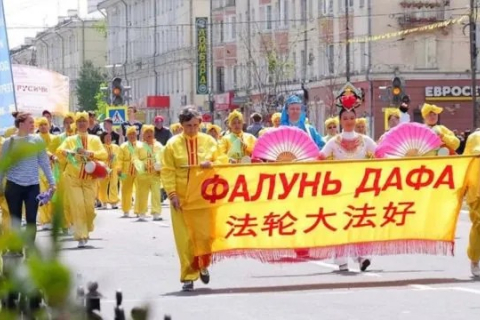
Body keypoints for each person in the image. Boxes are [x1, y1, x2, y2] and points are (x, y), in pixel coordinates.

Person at [161, 108, 227, 292]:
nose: (192, 129)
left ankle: (203, 264)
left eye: (195, 125)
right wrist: (172, 194)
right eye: (188, 126)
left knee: (205, 236)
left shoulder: (209, 141)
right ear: (181, 125)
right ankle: (188, 276)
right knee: (185, 239)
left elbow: (223, 162)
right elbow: (167, 171)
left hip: (204, 198)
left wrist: (212, 165)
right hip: (182, 199)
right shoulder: (172, 145)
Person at [318, 97, 376, 272]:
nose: (349, 121)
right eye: (345, 118)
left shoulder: (365, 140)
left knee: (360, 220)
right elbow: (319, 159)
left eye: (352, 118)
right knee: (342, 222)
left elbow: (382, 155)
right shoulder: (333, 142)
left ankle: (362, 256)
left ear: (356, 119)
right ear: (340, 121)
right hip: (340, 189)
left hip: (361, 188)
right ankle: (342, 257)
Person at [0, 112, 56, 248]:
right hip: (13, 186)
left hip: (32, 186)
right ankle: (17, 247)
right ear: (21, 124)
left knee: (31, 219)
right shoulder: (9, 142)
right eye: (30, 122)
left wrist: (52, 182)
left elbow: (44, 163)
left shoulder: (37, 140)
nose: (33, 125)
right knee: (16, 219)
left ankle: (30, 248)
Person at [57, 112, 107, 248]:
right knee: (78, 206)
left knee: (90, 209)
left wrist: (89, 153)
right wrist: (69, 151)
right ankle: (81, 236)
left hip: (90, 179)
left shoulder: (95, 139)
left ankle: (87, 227)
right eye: (79, 121)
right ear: (76, 124)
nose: (81, 123)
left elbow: (103, 154)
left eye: (84, 121)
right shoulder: (70, 140)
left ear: (88, 123)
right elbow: (60, 151)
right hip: (73, 178)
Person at [49, 113, 76, 233]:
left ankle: (75, 222)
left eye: (71, 122)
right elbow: (49, 151)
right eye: (67, 122)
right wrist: (53, 157)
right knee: (64, 199)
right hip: (60, 171)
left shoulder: (79, 139)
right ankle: (66, 224)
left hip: (76, 171)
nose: (69, 125)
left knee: (74, 199)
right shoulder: (58, 138)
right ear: (63, 124)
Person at [134, 125, 164, 221]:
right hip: (143, 175)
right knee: (142, 194)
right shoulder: (138, 146)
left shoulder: (159, 145)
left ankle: (156, 213)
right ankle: (142, 212)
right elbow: (134, 159)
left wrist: (160, 166)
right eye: (146, 132)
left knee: (156, 194)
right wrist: (143, 166)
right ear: (143, 134)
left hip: (155, 174)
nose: (149, 134)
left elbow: (164, 158)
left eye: (151, 132)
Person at [463, 130, 480, 277]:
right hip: (477, 191)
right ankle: (475, 260)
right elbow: (465, 163)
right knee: (479, 225)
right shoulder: (474, 137)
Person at [37, 117, 56, 230]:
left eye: (45, 124)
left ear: (49, 125)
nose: (43, 126)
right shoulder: (35, 139)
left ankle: (54, 217)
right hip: (40, 170)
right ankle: (45, 220)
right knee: (43, 193)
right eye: (41, 125)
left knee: (53, 194)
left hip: (54, 169)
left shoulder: (55, 138)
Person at [118, 126, 141, 218]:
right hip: (125, 171)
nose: (132, 136)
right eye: (130, 134)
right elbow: (119, 159)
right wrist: (119, 169)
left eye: (133, 134)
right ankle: (126, 210)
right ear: (127, 135)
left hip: (138, 170)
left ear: (136, 135)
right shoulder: (123, 146)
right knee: (126, 190)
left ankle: (139, 210)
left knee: (140, 190)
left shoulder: (141, 145)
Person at [98, 132, 120, 210]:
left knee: (114, 185)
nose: (108, 138)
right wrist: (107, 158)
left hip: (113, 168)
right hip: (104, 167)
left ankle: (114, 202)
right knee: (103, 186)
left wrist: (118, 167)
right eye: (106, 137)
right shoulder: (100, 147)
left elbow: (119, 157)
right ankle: (103, 202)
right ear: (103, 138)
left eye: (109, 137)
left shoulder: (116, 147)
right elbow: (99, 157)